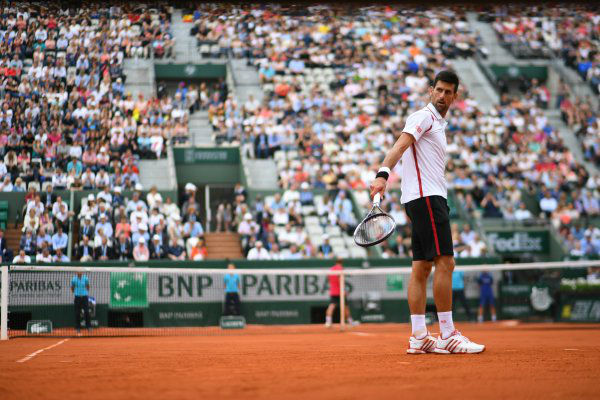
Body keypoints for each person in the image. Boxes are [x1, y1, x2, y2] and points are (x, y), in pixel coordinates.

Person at [370, 71, 484, 354]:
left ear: (455, 96)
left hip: (422, 200)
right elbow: (400, 145)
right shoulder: (424, 117)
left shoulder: (438, 124)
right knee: (446, 262)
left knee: (421, 268)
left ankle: (419, 336)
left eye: (448, 92)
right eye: (439, 90)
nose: (443, 96)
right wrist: (383, 174)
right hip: (427, 199)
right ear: (431, 91)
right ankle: (447, 333)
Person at [325, 259, 358, 328]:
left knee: (331, 306)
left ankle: (328, 322)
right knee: (346, 307)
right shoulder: (340, 269)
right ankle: (350, 322)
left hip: (333, 291)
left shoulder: (331, 269)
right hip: (340, 291)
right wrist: (343, 290)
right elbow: (340, 279)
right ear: (341, 263)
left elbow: (330, 279)